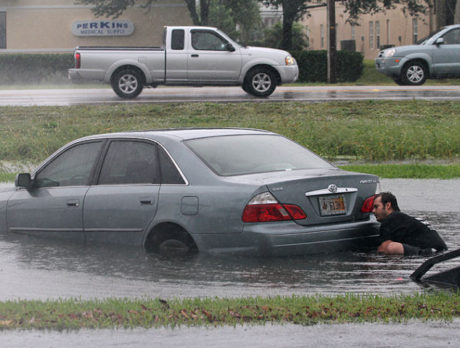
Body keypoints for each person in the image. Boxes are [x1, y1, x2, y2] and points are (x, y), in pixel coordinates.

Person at [372, 192, 447, 256]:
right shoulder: (402, 218)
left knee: (390, 246)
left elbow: (382, 248)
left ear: (388, 206)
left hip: (428, 253)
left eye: (376, 207)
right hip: (441, 251)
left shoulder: (390, 219)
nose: (373, 211)